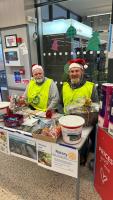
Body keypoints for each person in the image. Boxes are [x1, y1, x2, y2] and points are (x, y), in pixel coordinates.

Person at [62, 58, 99, 165]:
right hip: (67, 120)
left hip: (84, 121)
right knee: (67, 141)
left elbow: (96, 106)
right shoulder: (64, 86)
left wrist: (89, 105)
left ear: (82, 72)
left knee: (81, 142)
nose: (74, 74)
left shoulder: (90, 86)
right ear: (69, 73)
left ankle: (82, 157)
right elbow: (60, 102)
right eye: (72, 71)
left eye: (77, 71)